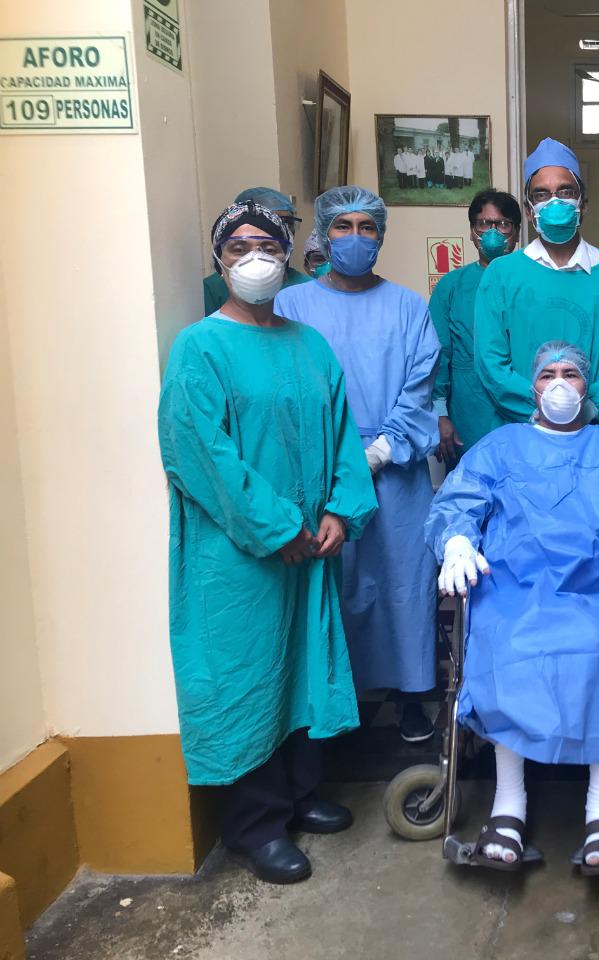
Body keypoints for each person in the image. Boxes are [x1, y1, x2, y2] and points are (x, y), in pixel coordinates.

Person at [158, 201, 378, 885]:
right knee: (249, 674)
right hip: (239, 554)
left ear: (288, 255)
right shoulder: (200, 348)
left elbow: (342, 433)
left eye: (267, 245)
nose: (254, 257)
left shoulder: (309, 344)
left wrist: (340, 509)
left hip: (310, 547)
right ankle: (255, 825)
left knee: (302, 669)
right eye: (238, 246)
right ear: (219, 258)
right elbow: (200, 452)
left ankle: (299, 794)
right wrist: (277, 527)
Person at [427, 341, 599, 874]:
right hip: (513, 589)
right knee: (503, 644)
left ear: (588, 386)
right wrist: (457, 542)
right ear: (532, 386)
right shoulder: (501, 447)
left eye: (571, 374)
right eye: (548, 375)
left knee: (597, 647)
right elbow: (458, 502)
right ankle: (508, 804)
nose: (560, 384)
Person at [274, 186, 442, 744]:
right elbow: (287, 390)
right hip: (320, 474)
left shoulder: (409, 307)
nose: (354, 237)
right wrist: (333, 461)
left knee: (403, 584)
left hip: (395, 471)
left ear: (381, 236)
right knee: (334, 582)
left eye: (366, 227)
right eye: (342, 226)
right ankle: (336, 707)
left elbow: (418, 391)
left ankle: (412, 696)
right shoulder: (291, 306)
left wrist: (379, 451)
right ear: (323, 235)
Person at [473, 137, 599, 428]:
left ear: (583, 204)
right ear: (529, 210)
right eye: (541, 194)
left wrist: (589, 408)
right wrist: (540, 412)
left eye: (565, 192)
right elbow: (490, 360)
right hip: (524, 430)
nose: (554, 202)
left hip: (595, 429)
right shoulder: (501, 275)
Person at [429, 189, 522, 467]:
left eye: (503, 224)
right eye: (484, 224)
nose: (493, 232)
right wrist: (440, 413)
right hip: (468, 410)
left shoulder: (530, 280)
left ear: (517, 232)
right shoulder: (452, 286)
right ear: (472, 232)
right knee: (470, 485)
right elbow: (437, 353)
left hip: (522, 408)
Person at [201, 187, 309, 315]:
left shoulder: (305, 287)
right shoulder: (212, 288)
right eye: (239, 249)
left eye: (288, 223)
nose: (283, 229)